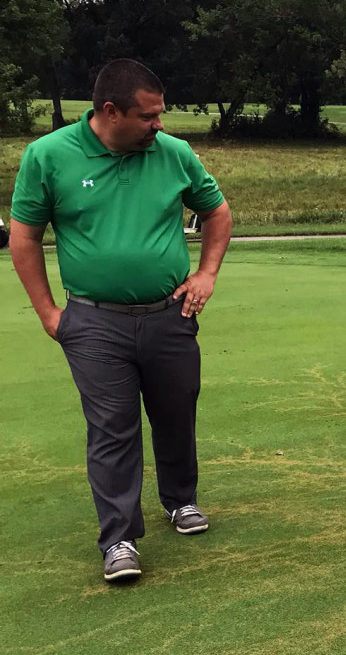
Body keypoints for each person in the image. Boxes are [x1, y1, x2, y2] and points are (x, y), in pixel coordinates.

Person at [8, 59, 232, 583]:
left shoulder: (173, 154)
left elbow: (217, 213)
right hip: (93, 320)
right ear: (110, 111)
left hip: (170, 314)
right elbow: (24, 237)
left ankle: (180, 500)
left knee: (177, 413)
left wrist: (207, 275)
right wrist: (49, 314)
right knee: (112, 429)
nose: (159, 125)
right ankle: (120, 538)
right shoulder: (48, 156)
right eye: (148, 116)